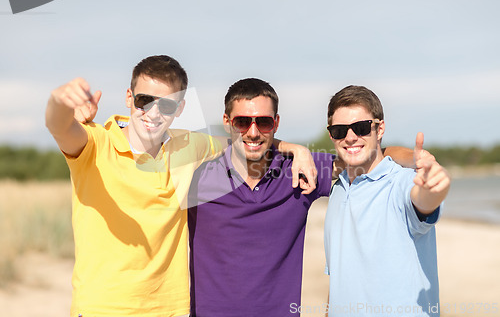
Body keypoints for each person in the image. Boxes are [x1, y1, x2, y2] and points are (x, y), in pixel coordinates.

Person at [46, 56, 314, 317]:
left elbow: (247, 141)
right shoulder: (96, 143)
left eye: (166, 106)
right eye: (144, 101)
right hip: (102, 308)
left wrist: (294, 148)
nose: (153, 113)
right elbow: (59, 127)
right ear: (129, 97)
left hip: (171, 309)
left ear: (180, 108)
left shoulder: (187, 145)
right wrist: (60, 102)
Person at [187, 79, 417, 316]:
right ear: (227, 122)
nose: (253, 132)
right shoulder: (198, 176)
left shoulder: (299, 171)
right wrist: (295, 147)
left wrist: (419, 158)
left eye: (264, 122)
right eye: (242, 122)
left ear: (276, 123)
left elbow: (370, 156)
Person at [323, 85, 451, 316]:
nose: (350, 138)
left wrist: (433, 189)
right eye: (340, 130)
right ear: (331, 134)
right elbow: (338, 280)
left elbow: (421, 202)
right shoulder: (338, 190)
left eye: (361, 128)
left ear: (379, 128)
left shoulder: (401, 182)